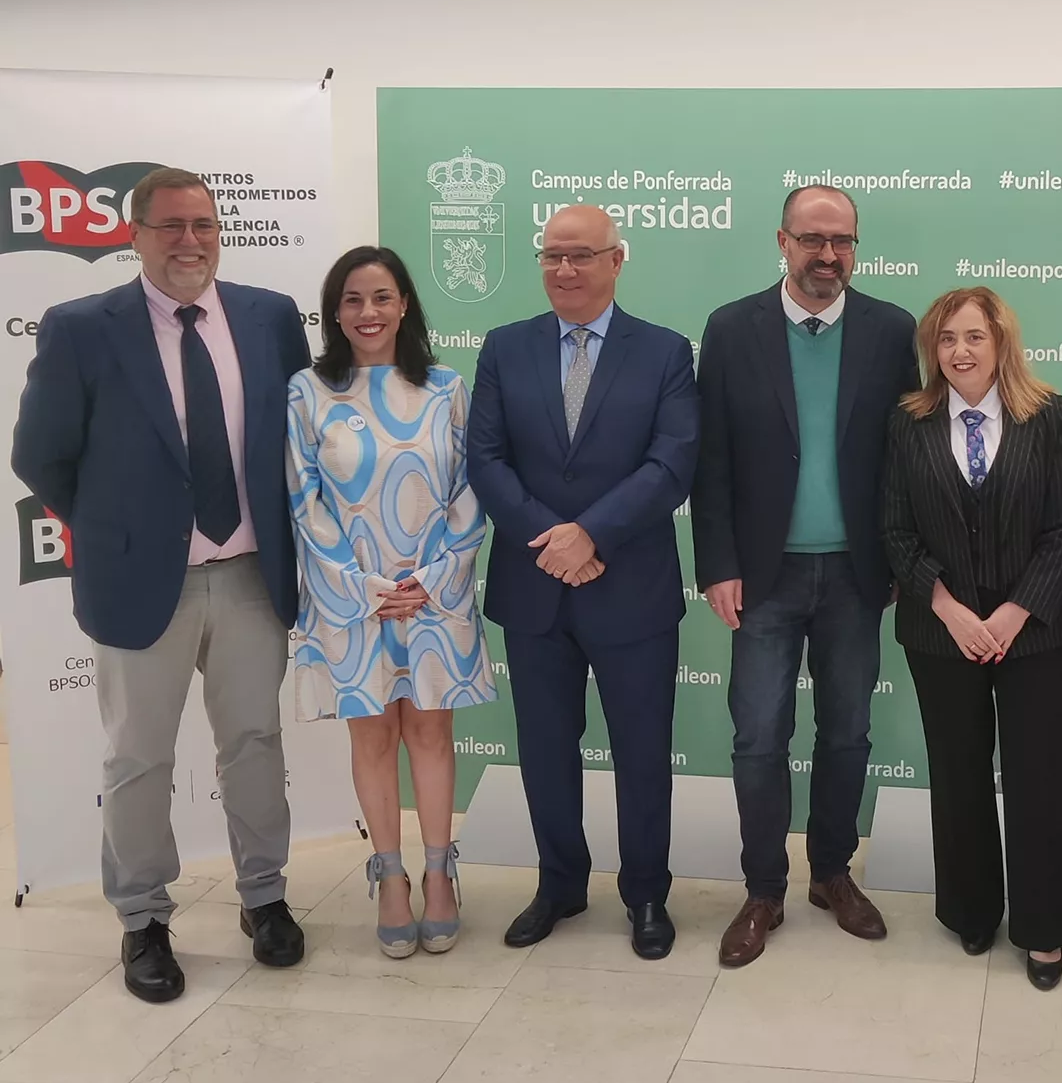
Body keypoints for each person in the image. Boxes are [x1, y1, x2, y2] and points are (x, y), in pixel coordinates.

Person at [10, 168, 308, 1002]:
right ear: (133, 235)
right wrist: (120, 532)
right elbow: (39, 455)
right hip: (145, 582)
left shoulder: (269, 318)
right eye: (172, 226)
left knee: (253, 742)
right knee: (139, 757)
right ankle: (143, 919)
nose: (191, 242)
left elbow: (291, 437)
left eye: (205, 226)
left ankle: (265, 897)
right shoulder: (82, 329)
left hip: (252, 575)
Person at [692, 185, 918, 967]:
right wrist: (716, 564)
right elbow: (711, 457)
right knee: (758, 737)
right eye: (813, 239)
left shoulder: (892, 330)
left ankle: (831, 873)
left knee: (848, 733)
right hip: (763, 577)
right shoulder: (731, 329)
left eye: (843, 241)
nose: (830, 256)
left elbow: (903, 460)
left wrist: (894, 557)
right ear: (782, 241)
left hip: (856, 575)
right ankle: (763, 889)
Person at [468, 205, 698, 960]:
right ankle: (561, 883)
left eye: (580, 256)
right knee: (544, 749)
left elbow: (671, 465)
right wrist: (553, 540)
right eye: (551, 256)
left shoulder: (664, 352)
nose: (563, 269)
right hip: (536, 589)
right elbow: (487, 461)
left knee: (640, 752)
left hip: (630, 587)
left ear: (616, 260)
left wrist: (589, 535)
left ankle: (646, 895)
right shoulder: (505, 348)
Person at [287, 246, 496, 957]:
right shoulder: (307, 393)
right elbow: (302, 499)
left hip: (434, 597)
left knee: (431, 735)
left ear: (405, 304)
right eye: (351, 299)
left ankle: (441, 873)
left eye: (381, 297)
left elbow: (473, 489)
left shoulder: (446, 387)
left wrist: (431, 579)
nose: (367, 312)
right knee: (372, 738)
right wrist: (365, 586)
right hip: (352, 601)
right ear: (334, 311)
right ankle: (391, 877)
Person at [882, 286, 1062, 989]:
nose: (960, 352)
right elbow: (896, 530)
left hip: (1029, 634)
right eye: (946, 340)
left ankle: (1045, 928)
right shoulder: (909, 422)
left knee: (1036, 774)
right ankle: (971, 910)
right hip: (940, 633)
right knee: (959, 770)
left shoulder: (1045, 415)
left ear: (1001, 343)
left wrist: (1013, 613)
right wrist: (949, 608)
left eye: (974, 337)